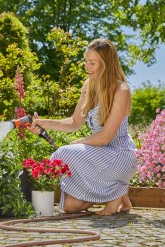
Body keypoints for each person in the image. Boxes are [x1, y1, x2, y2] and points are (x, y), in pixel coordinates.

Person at [29, 38, 138, 215]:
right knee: (69, 207)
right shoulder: (89, 86)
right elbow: (74, 123)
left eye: (92, 63)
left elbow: (105, 137)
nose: (87, 66)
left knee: (64, 153)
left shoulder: (121, 90)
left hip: (120, 155)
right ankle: (118, 193)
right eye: (86, 61)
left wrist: (77, 143)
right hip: (100, 156)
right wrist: (45, 123)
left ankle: (116, 194)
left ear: (107, 64)